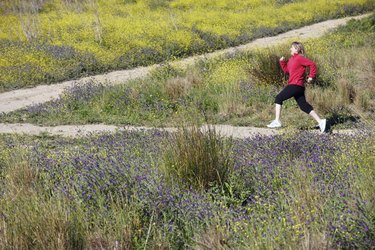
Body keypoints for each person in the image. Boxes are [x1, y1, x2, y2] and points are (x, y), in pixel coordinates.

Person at [267, 41, 326, 133]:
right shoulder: (291, 60)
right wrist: (282, 62)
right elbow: (287, 71)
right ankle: (321, 122)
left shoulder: (299, 58)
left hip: (295, 85)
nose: (290, 49)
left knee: (278, 98)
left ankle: (277, 121)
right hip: (298, 86)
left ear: (296, 49)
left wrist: (311, 76)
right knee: (303, 106)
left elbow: (312, 64)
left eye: (292, 47)